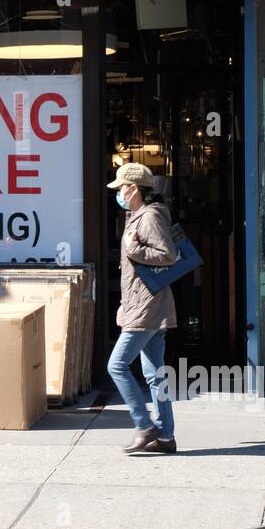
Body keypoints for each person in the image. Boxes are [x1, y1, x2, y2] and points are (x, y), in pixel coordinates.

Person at [105, 162, 179, 454]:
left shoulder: (149, 217)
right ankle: (165, 437)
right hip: (144, 304)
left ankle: (144, 426)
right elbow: (132, 271)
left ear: (134, 188)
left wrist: (135, 250)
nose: (119, 193)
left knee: (117, 365)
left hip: (148, 307)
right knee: (154, 374)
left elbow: (168, 255)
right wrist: (124, 304)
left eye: (122, 188)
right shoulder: (137, 216)